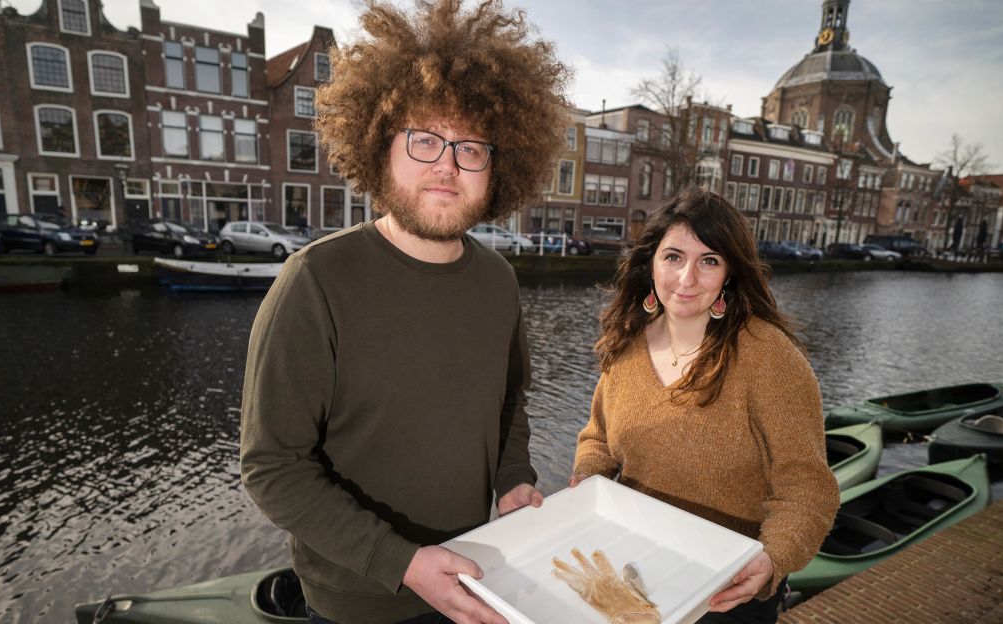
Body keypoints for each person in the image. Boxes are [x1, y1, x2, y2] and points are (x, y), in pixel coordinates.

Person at [239, 2, 569, 623]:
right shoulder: (314, 280)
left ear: (498, 167)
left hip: (475, 572)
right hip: (357, 601)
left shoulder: (499, 280)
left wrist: (513, 479)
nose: (447, 163)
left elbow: (509, 401)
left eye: (471, 146)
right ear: (379, 144)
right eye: (424, 139)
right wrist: (403, 563)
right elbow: (272, 466)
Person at [569, 187, 840, 624]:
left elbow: (807, 486)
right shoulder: (627, 343)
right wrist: (587, 479)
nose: (686, 278)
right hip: (638, 569)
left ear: (730, 274)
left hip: (726, 592)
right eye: (673, 257)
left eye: (708, 261)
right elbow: (599, 437)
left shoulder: (768, 356)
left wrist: (772, 559)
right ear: (651, 263)